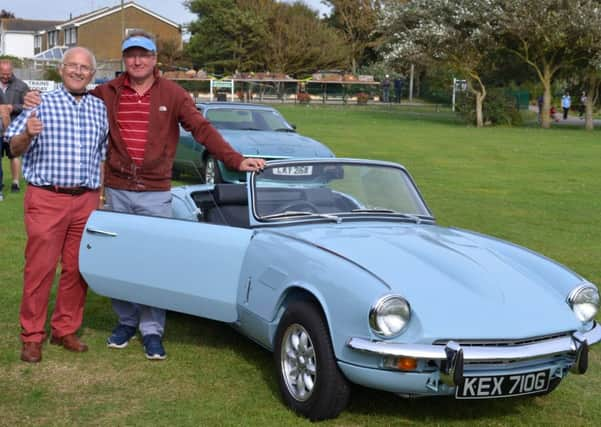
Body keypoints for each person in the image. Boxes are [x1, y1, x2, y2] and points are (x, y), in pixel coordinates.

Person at [25, 30, 265, 361]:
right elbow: (71, 94)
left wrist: (235, 159)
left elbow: (202, 129)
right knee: (119, 260)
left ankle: (152, 330)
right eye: (131, 55)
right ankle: (125, 321)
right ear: (124, 60)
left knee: (155, 263)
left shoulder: (174, 93)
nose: (138, 61)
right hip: (118, 192)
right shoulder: (105, 93)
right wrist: (30, 99)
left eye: (144, 55)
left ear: (155, 59)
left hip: (154, 193)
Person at [5, 47, 108, 363]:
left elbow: (101, 156)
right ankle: (32, 336)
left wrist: (101, 197)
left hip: (87, 199)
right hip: (47, 197)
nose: (78, 71)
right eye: (73, 66)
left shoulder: (99, 109)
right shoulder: (39, 104)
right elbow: (12, 146)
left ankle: (64, 329)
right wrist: (27, 132)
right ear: (62, 70)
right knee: (40, 268)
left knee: (78, 269)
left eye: (85, 68)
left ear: (92, 74)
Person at [0, 60, 29, 199]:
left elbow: (28, 105)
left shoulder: (21, 86)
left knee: (14, 155)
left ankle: (15, 182)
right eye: (2, 74)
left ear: (12, 71)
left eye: (8, 74)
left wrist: (13, 107)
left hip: (14, 125)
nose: (5, 76)